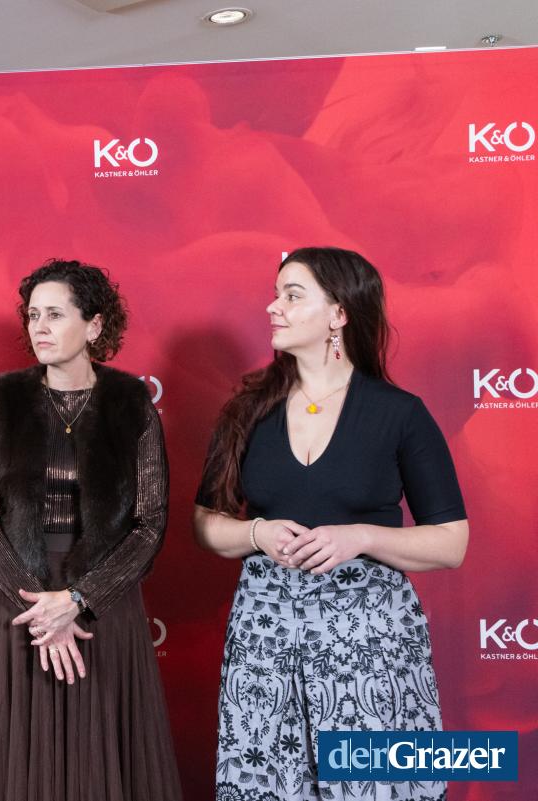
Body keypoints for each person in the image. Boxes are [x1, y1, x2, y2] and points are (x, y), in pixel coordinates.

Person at [193, 247, 469, 801]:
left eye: (293, 296)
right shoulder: (246, 411)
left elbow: (451, 542)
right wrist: (256, 534)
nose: (274, 307)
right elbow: (206, 523)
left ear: (339, 314)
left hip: (370, 647)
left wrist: (360, 538)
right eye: (276, 294)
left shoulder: (399, 413)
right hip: (265, 647)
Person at [0, 259, 182, 801]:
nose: (40, 327)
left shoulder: (131, 406)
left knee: (97, 753)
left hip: (103, 602)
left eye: (55, 315)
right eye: (33, 315)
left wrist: (79, 599)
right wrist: (41, 607)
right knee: (18, 759)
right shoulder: (4, 401)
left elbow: (150, 524)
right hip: (18, 599)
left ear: (95, 325)